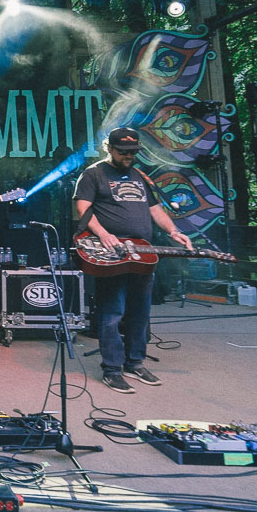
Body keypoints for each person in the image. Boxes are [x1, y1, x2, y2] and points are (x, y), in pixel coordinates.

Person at [73, 126, 192, 394]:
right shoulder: (93, 174)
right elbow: (82, 208)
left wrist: (174, 231)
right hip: (111, 252)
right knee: (112, 311)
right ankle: (112, 369)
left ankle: (135, 362)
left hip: (143, 251)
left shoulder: (140, 176)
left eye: (132, 152)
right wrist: (103, 234)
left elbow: (155, 209)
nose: (128, 156)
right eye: (122, 151)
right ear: (110, 149)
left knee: (140, 311)